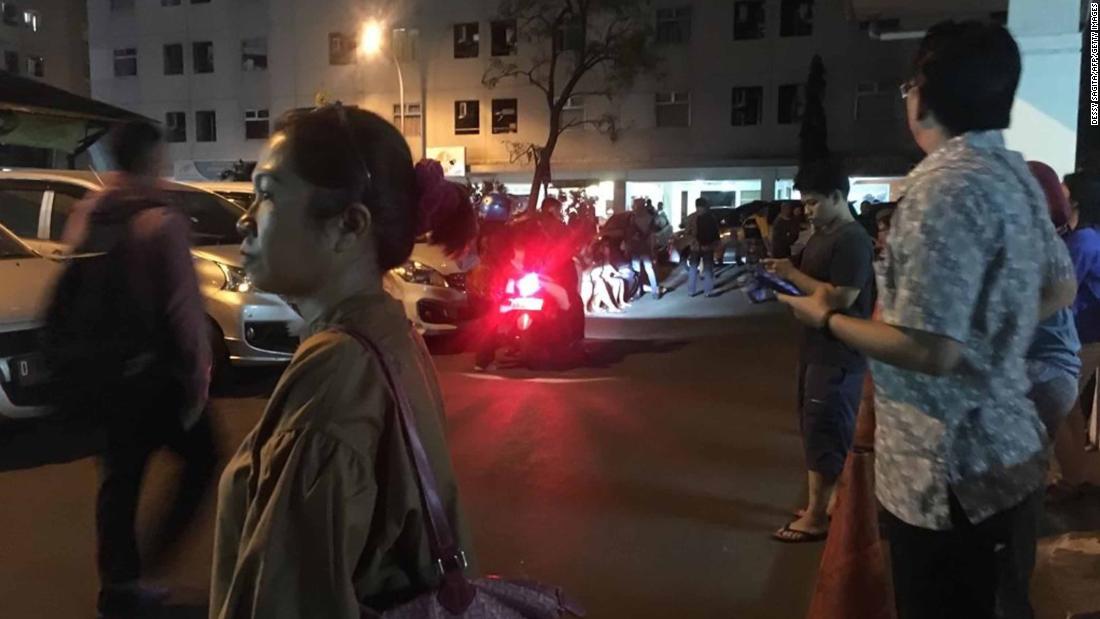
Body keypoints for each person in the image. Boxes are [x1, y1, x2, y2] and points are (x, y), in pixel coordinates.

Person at [778, 22, 1077, 618]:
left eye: (908, 85)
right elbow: (1060, 284)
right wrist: (993, 333)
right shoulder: (1015, 173)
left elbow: (930, 351)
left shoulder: (937, 189)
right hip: (1012, 458)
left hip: (947, 480)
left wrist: (826, 319)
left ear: (925, 92)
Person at [211, 105, 478, 617]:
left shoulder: (335, 371)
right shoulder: (387, 332)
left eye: (266, 194)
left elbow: (289, 599)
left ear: (348, 226)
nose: (245, 218)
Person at [57, 122, 215, 618]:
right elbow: (184, 311)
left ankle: (119, 585)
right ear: (149, 160)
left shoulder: (88, 212)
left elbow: (70, 293)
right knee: (206, 458)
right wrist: (198, 380)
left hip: (105, 376)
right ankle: (147, 568)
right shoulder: (160, 222)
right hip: (154, 380)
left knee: (118, 481)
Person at [764, 159, 875, 544]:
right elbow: (817, 287)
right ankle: (826, 505)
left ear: (838, 196)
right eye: (805, 204)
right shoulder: (822, 235)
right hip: (815, 348)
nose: (807, 211)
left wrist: (792, 277)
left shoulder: (852, 240)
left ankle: (816, 517)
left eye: (813, 203)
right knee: (815, 427)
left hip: (838, 353)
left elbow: (841, 297)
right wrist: (783, 274)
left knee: (824, 429)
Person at [1050, 170, 1100, 500]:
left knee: (1062, 408)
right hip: (1083, 335)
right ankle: (1076, 477)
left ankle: (1073, 481)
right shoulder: (1083, 237)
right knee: (1069, 410)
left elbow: (1059, 294)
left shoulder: (1082, 241)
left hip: (1083, 336)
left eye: (1063, 192)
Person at [626, 197, 662, 300]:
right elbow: (652, 235)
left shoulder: (633, 218)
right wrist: (653, 248)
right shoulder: (650, 218)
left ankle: (638, 291)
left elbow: (630, 234)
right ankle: (654, 291)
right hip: (645, 247)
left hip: (637, 246)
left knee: (638, 270)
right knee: (649, 269)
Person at [686, 197, 719, 297]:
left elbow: (687, 232)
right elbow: (715, 232)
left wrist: (692, 240)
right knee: (708, 269)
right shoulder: (711, 217)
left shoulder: (691, 217)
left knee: (693, 269)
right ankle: (708, 291)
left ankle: (691, 291)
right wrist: (716, 243)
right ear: (705, 206)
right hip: (708, 247)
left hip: (695, 247)